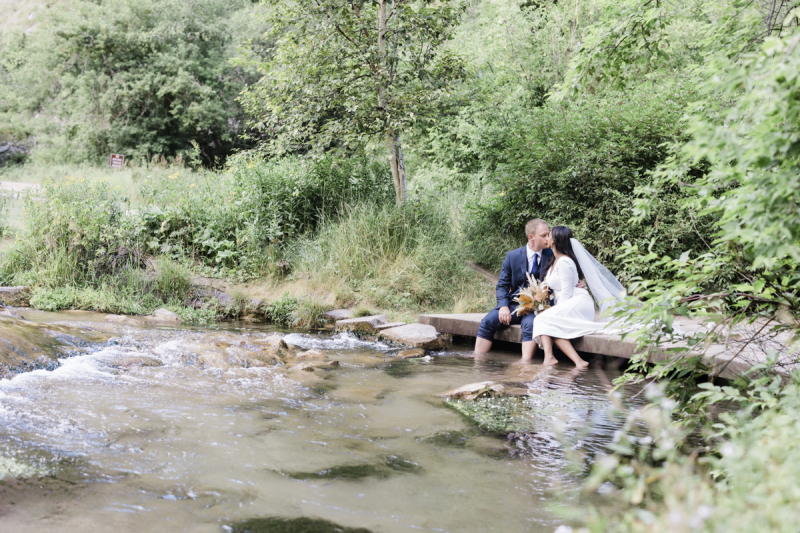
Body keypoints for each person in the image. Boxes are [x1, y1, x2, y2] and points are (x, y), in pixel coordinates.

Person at [530, 226, 627, 368]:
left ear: (555, 240)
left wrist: (554, 311)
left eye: (548, 235)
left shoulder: (565, 261)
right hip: (568, 302)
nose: (546, 238)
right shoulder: (554, 261)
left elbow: (566, 293)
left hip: (577, 302)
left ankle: (549, 358)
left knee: (544, 319)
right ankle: (578, 362)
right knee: (550, 323)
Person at [475, 219, 566, 361]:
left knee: (529, 324)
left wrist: (577, 282)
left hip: (540, 306)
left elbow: (568, 271)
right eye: (544, 235)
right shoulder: (512, 256)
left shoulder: (552, 254)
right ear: (531, 237)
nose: (548, 238)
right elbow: (503, 285)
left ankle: (525, 365)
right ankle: (478, 361)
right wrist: (503, 306)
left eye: (548, 234)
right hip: (514, 305)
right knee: (487, 321)